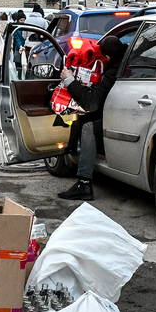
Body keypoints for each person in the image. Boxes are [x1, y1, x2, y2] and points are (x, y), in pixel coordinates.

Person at [57, 35, 127, 201]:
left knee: (88, 126)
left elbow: (91, 103)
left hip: (122, 116)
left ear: (107, 57)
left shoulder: (111, 71)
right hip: (129, 114)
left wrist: (69, 80)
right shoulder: (127, 59)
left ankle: (84, 183)